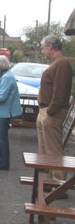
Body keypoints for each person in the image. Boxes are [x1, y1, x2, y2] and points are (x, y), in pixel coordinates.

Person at [37, 35, 73, 181]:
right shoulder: (56, 63)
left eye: (43, 47)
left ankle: (58, 182)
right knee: (45, 149)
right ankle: (48, 179)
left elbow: (61, 92)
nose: (42, 51)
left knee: (53, 150)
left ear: (50, 47)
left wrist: (50, 111)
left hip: (52, 113)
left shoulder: (62, 63)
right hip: (46, 111)